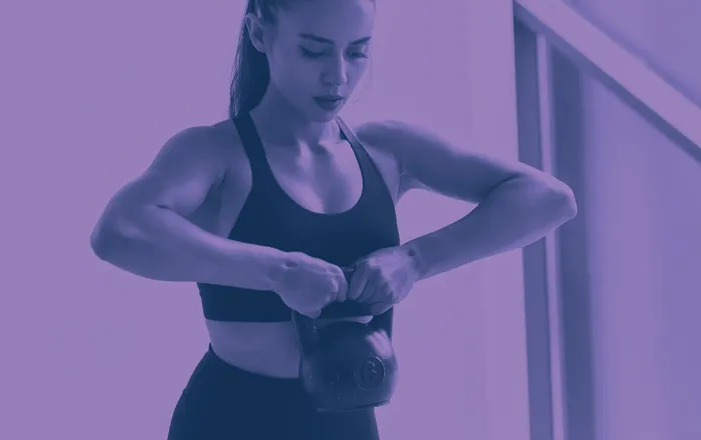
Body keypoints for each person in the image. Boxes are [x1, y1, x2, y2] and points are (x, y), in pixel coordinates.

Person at [89, 0, 578, 438]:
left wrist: (415, 258)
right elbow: (119, 232)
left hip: (350, 422)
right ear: (260, 34)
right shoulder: (216, 153)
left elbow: (548, 199)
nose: (338, 76)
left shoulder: (388, 150)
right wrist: (275, 272)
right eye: (314, 51)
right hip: (229, 421)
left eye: (357, 52)